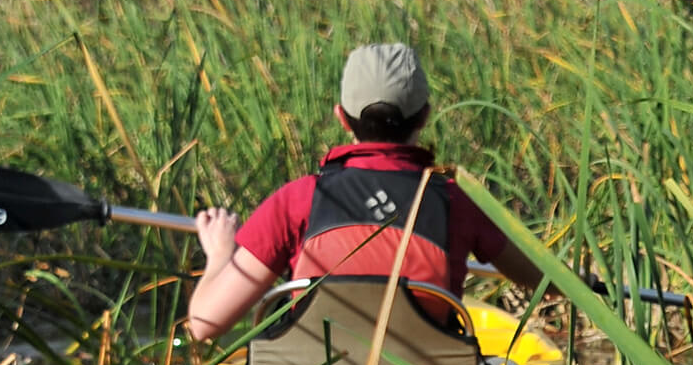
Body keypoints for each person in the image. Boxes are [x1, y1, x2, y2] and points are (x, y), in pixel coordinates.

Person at [187, 42, 546, 343]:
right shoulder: (456, 201)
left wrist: (220, 252)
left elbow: (203, 326)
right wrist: (588, 281)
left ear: (342, 117)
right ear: (424, 117)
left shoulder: (296, 200)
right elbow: (541, 278)